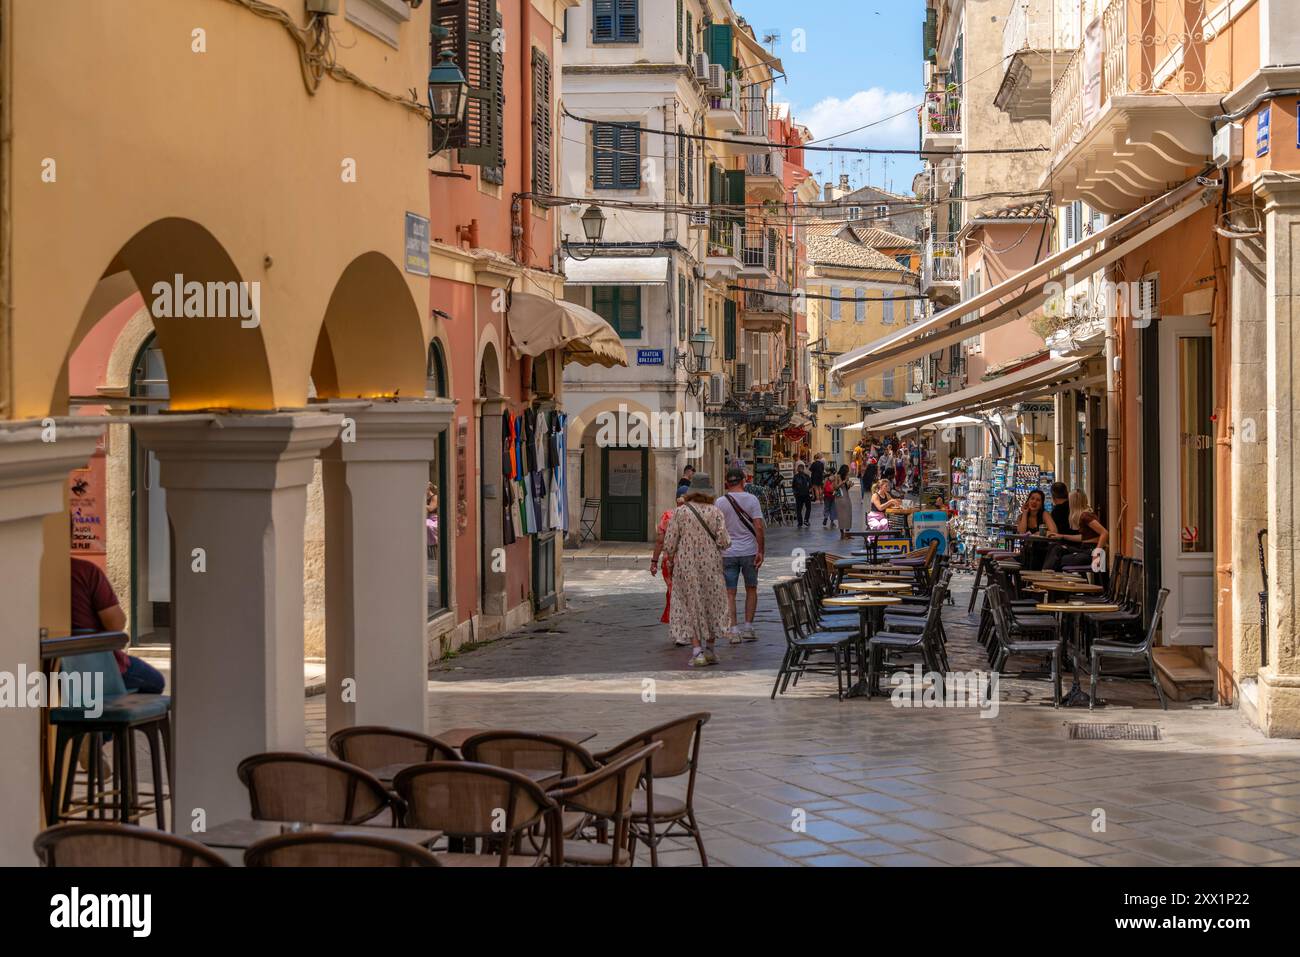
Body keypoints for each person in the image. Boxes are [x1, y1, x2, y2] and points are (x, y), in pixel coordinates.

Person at [661, 474, 731, 666]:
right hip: (711, 565)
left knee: (691, 604)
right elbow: (724, 542)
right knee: (712, 604)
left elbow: (669, 543)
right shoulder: (716, 512)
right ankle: (710, 650)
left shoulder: (680, 512)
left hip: (686, 566)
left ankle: (696, 651)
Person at [70, 557, 165, 694]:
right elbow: (116, 624)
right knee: (156, 681)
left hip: (52, 669)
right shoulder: (85, 571)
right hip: (99, 664)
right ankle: (115, 709)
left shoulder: (32, 571)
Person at [717, 467, 765, 642]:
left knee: (730, 592)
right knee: (751, 588)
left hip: (728, 552)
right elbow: (758, 526)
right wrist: (761, 550)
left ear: (727, 483)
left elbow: (718, 529)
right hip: (749, 551)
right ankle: (748, 627)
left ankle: (734, 630)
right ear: (744, 481)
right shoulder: (752, 500)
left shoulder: (720, 502)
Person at [1045, 490, 1109, 571]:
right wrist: (1062, 536)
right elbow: (1084, 537)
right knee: (1057, 548)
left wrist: (1097, 554)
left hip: (1090, 552)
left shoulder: (1085, 516)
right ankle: (1047, 575)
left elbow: (1104, 533)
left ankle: (1046, 575)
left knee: (1057, 559)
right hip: (1085, 549)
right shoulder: (1085, 515)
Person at [651, 495, 686, 637]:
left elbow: (660, 541)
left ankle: (677, 630)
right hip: (687, 560)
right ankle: (685, 627)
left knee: (673, 593)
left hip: (669, 561)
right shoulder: (692, 516)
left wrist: (654, 561)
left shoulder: (667, 515)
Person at [1016, 488, 1057, 570]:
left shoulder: (1044, 514)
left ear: (1041, 504)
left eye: (1038, 500)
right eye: (1032, 499)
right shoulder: (1021, 516)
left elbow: (1054, 532)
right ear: (1028, 500)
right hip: (1026, 551)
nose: (1034, 502)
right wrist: (1024, 513)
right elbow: (1021, 532)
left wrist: (1039, 533)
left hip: (1042, 551)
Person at [833, 464, 854, 540]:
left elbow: (846, 488)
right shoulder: (837, 476)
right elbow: (835, 487)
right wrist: (843, 482)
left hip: (846, 496)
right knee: (841, 516)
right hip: (839, 498)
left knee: (849, 514)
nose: (848, 472)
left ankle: (847, 533)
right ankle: (842, 534)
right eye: (847, 471)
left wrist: (849, 485)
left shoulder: (846, 476)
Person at [791, 462, 813, 527]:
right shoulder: (807, 476)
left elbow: (793, 486)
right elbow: (810, 486)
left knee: (799, 509)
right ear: (803, 469)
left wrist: (795, 493)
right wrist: (810, 493)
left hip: (798, 495)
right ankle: (806, 520)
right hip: (806, 494)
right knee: (808, 508)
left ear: (798, 469)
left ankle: (800, 522)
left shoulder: (795, 476)